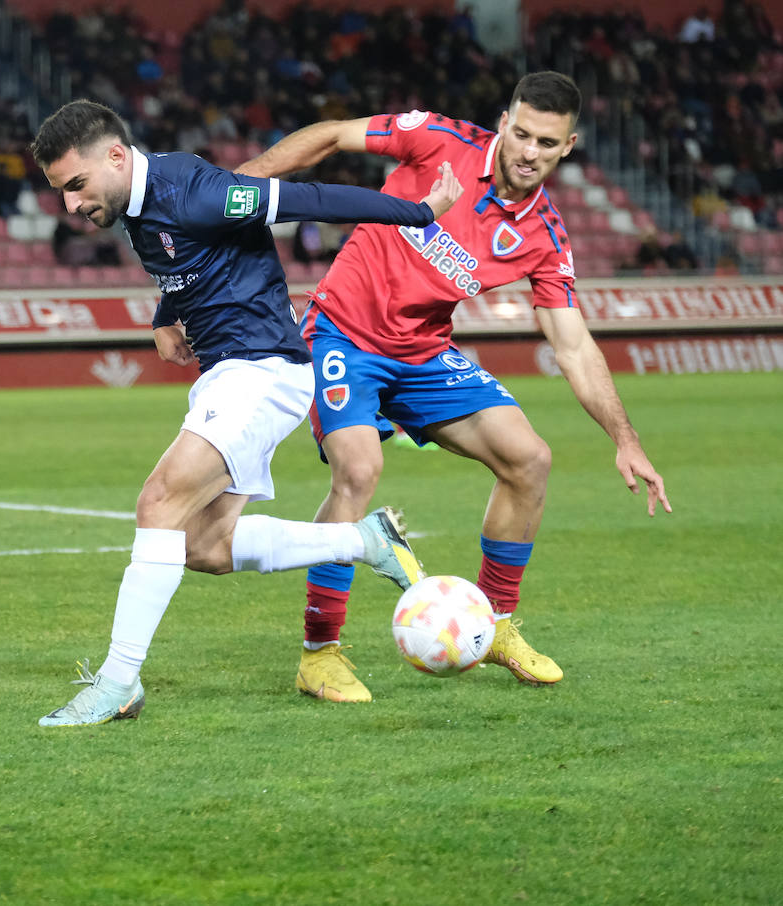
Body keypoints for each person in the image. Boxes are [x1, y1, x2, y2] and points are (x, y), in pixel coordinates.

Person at [236, 71, 672, 703]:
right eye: (521, 133)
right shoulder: (437, 138)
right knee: (359, 470)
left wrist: (625, 439)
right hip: (342, 334)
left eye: (546, 144)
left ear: (568, 146)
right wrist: (235, 186)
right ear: (503, 122)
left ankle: (492, 624)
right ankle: (319, 652)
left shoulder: (543, 235)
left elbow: (572, 344)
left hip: (423, 354)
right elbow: (332, 134)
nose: (528, 152)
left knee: (529, 460)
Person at [28, 99, 464, 727]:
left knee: (157, 504)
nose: (70, 205)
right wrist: (165, 315)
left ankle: (117, 682)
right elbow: (184, 263)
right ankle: (365, 541)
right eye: (60, 192)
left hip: (261, 370)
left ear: (117, 158)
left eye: (76, 185)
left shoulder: (197, 192)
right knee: (200, 545)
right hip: (230, 373)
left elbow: (309, 201)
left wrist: (418, 213)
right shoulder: (132, 204)